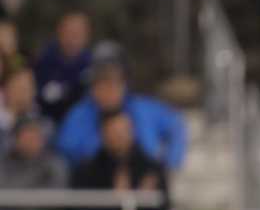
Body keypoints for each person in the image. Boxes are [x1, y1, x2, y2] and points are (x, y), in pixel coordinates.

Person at [56, 43, 186, 170]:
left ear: (125, 82)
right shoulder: (79, 114)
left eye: (113, 81)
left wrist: (169, 163)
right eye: (100, 81)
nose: (107, 89)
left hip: (143, 184)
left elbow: (176, 125)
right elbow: (65, 151)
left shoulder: (144, 108)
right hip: (95, 185)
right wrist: (107, 143)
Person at [71, 108, 168, 210]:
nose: (119, 136)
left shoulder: (151, 169)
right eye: (113, 131)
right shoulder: (87, 170)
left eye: (123, 130)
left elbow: (164, 209)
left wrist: (143, 201)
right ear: (102, 133)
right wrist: (114, 201)